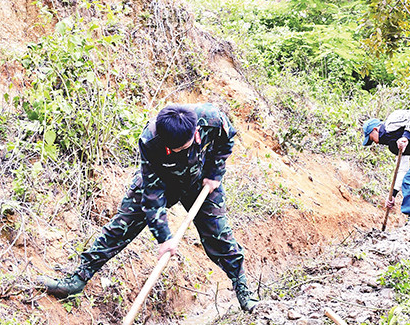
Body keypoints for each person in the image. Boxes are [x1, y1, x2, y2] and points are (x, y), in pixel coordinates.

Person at [41, 104, 258, 312]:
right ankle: (77, 279)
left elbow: (226, 139)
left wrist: (214, 173)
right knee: (121, 226)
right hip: (163, 181)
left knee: (219, 235)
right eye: (182, 148)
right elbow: (152, 195)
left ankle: (244, 292)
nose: (193, 143)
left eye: (193, 139)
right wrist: (164, 238)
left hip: (201, 181)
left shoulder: (211, 118)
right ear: (167, 145)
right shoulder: (150, 141)